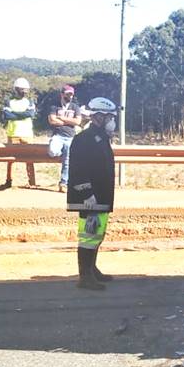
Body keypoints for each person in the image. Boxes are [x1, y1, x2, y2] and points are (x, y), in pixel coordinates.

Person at [67, 97, 119, 290]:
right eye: (108, 117)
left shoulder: (100, 138)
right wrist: (87, 193)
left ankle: (92, 269)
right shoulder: (85, 139)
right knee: (88, 235)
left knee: (97, 234)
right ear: (98, 117)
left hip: (101, 197)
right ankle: (85, 276)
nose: (111, 121)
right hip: (90, 198)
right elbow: (80, 169)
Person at [47, 85, 82, 193]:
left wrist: (61, 118)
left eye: (71, 94)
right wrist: (69, 121)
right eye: (67, 94)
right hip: (58, 136)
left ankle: (63, 183)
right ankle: (62, 151)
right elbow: (52, 121)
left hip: (70, 137)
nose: (70, 96)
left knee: (67, 161)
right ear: (62, 94)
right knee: (52, 152)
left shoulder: (75, 107)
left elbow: (78, 122)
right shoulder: (54, 106)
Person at [3, 77, 37, 188]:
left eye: (26, 90)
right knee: (10, 160)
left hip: (27, 134)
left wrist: (15, 115)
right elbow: (7, 116)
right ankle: (9, 181)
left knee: (30, 159)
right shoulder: (8, 101)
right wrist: (22, 114)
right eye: (22, 89)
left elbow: (30, 114)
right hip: (13, 134)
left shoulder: (30, 101)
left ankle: (32, 182)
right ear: (16, 89)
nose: (24, 92)